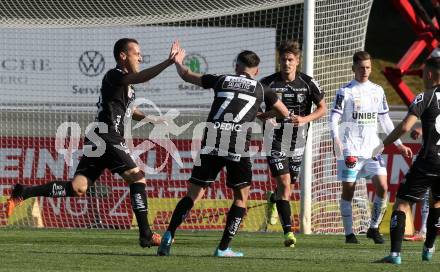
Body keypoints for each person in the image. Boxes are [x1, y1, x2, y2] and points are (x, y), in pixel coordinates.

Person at [6, 38, 179, 248]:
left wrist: (152, 120)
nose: (140, 57)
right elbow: (141, 77)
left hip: (99, 139)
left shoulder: (126, 85)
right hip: (108, 137)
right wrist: (168, 63)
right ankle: (146, 235)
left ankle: (24, 192)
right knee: (138, 179)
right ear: (123, 56)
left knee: (78, 188)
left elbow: (130, 109)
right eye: (136, 53)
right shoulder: (115, 74)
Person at [157, 46, 291, 257]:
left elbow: (187, 75)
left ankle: (169, 234)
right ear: (256, 70)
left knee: (193, 194)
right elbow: (284, 113)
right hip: (237, 143)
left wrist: (177, 61)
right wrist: (264, 115)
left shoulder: (221, 80)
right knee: (240, 197)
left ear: (236, 66)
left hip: (212, 138)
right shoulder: (262, 88)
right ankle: (223, 248)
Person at [329, 51, 412, 244]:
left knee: (383, 187)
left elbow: (384, 119)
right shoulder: (345, 91)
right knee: (348, 189)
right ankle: (349, 233)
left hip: (373, 149)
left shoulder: (378, 90)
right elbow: (333, 117)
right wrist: (336, 139)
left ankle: (373, 228)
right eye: (361, 67)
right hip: (350, 149)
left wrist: (398, 144)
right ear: (353, 69)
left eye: (367, 67)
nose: (365, 71)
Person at [258, 39, 327, 247]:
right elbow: (258, 111)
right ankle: (289, 233)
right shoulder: (267, 83)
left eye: (290, 59)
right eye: (283, 60)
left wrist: (304, 119)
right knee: (285, 185)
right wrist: (269, 115)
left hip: (298, 140)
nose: (286, 63)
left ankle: (273, 200)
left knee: (288, 186)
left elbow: (323, 108)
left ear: (297, 61)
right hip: (274, 139)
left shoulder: (308, 82)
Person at [375, 57, 440, 264]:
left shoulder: (426, 97)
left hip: (428, 160)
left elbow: (404, 126)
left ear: (429, 74)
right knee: (437, 202)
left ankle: (395, 254)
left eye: (423, 73)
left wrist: (383, 144)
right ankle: (429, 249)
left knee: (402, 204)